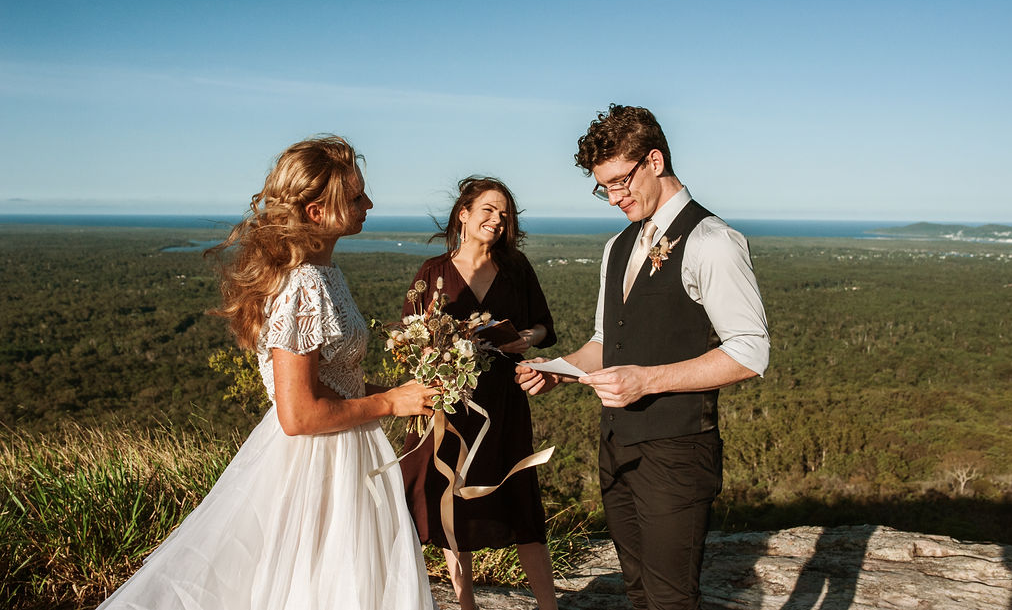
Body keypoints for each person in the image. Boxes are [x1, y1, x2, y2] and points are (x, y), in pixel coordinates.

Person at [97, 135, 438, 610]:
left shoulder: (323, 272)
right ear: (317, 212)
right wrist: (389, 403)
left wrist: (407, 393)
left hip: (344, 453)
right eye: (356, 196)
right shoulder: (302, 285)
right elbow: (298, 415)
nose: (369, 204)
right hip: (316, 463)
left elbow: (336, 385)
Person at [516, 105, 770, 610]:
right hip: (615, 445)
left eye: (620, 181)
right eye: (603, 187)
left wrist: (646, 382)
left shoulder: (712, 241)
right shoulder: (618, 245)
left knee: (672, 598)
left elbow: (750, 351)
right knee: (636, 590)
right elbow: (605, 342)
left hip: (678, 451)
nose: (613, 197)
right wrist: (559, 371)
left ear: (655, 160)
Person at [399, 176, 560, 610]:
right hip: (450, 405)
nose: (497, 219)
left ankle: (549, 606)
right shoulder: (432, 272)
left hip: (505, 405)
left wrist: (526, 336)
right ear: (463, 215)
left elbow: (545, 325)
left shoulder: (516, 268)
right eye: (488, 209)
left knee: (521, 501)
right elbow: (411, 339)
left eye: (504, 214)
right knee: (452, 500)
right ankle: (465, 602)